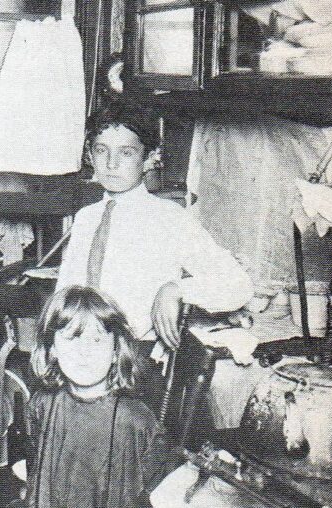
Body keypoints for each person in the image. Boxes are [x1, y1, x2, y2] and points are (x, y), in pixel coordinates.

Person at [56, 106, 253, 379]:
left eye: (126, 152)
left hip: (136, 361)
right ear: (90, 155)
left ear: (149, 158)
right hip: (80, 355)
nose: (111, 164)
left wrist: (176, 290)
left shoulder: (169, 219)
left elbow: (238, 284)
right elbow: (64, 292)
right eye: (102, 151)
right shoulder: (86, 218)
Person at [25, 285, 178, 508]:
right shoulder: (42, 405)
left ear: (116, 351)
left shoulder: (136, 420)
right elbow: (36, 475)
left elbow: (161, 489)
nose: (84, 352)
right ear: (52, 350)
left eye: (97, 340)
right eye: (72, 338)